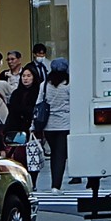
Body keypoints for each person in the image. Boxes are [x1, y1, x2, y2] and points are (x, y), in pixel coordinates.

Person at [3, 64, 41, 180]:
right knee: (19, 157)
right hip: (17, 129)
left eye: (29, 76)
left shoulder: (38, 92)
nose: (25, 78)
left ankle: (33, 180)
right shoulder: (16, 93)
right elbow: (13, 109)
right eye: (24, 76)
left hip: (32, 129)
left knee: (32, 157)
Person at [42, 58, 72, 188]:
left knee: (54, 153)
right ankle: (56, 185)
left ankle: (55, 184)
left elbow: (39, 102)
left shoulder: (44, 84)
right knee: (60, 155)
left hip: (48, 125)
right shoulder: (69, 85)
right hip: (64, 124)